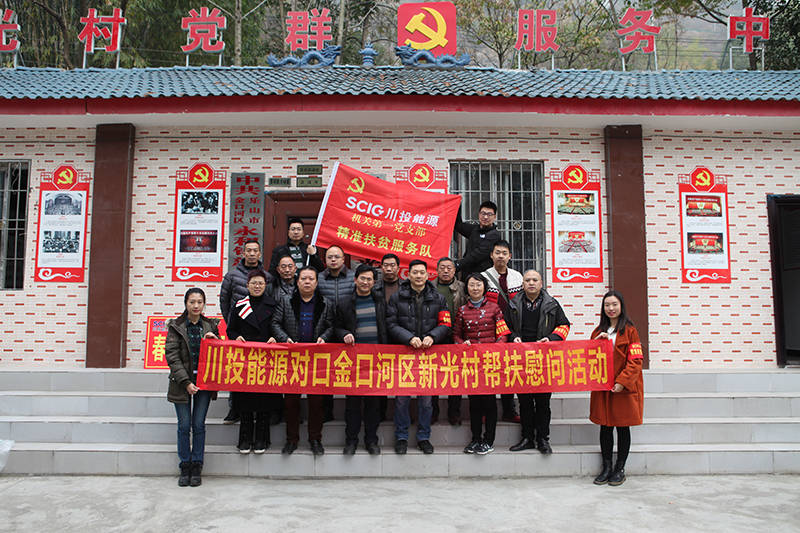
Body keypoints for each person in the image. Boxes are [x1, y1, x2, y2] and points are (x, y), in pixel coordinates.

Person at [386, 259, 452, 455]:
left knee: (426, 401)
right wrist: (409, 338)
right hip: (404, 355)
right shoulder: (397, 297)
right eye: (414, 272)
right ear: (408, 274)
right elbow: (390, 323)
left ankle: (424, 437)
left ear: (428, 275)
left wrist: (433, 336)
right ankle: (401, 437)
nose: (418, 276)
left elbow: (446, 324)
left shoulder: (438, 298)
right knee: (402, 399)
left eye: (422, 272)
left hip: (428, 356)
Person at [505, 270, 570, 455]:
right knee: (524, 402)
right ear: (523, 284)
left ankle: (543, 439)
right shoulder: (513, 303)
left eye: (535, 280)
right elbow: (503, 326)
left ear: (541, 283)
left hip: (544, 361)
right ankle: (527, 438)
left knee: (542, 402)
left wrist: (551, 338)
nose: (531, 283)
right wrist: (513, 337)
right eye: (528, 280)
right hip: (521, 360)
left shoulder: (552, 304)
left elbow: (564, 326)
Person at [271, 266, 335, 455]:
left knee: (316, 403)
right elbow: (275, 323)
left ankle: (315, 439)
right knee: (291, 403)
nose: (307, 282)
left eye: (311, 279)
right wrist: (284, 339)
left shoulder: (326, 303)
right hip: (292, 360)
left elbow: (331, 325)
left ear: (317, 282)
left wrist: (324, 337)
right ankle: (291, 440)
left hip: (316, 360)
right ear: (297, 282)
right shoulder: (285, 301)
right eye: (303, 279)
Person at [165, 288, 220, 487]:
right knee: (183, 426)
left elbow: (220, 354)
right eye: (192, 302)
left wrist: (217, 340)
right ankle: (184, 465)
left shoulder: (210, 325)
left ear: (204, 304)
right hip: (182, 384)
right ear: (185, 304)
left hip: (204, 383)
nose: (196, 306)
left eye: (199, 302)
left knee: (198, 425)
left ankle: (197, 464)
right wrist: (186, 382)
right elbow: (172, 357)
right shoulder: (176, 326)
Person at [590, 291, 643, 486]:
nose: (610, 308)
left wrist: (622, 382)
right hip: (603, 387)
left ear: (621, 307)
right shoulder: (597, 331)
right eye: (607, 305)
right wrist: (598, 343)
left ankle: (620, 468)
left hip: (622, 388)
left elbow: (635, 361)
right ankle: (606, 467)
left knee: (622, 427)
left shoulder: (630, 331)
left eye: (614, 304)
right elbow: (588, 357)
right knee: (605, 426)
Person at [453, 273, 510, 455]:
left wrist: (496, 348)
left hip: (490, 363)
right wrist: (462, 344)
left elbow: (503, 334)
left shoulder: (495, 308)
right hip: (471, 364)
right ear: (467, 288)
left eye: (478, 284)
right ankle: (475, 439)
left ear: (484, 287)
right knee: (474, 402)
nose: (475, 288)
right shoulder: (462, 310)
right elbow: (456, 335)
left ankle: (488, 441)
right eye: (471, 285)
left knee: (490, 402)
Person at [334, 264, 388, 455]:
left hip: (376, 362)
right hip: (353, 363)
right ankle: (351, 441)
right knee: (352, 405)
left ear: (374, 282)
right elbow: (336, 327)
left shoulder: (381, 302)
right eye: (362, 278)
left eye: (369, 279)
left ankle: (371, 440)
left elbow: (388, 327)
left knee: (374, 405)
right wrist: (344, 334)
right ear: (355, 279)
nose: (365, 282)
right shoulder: (344, 303)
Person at [225, 269, 280, 454]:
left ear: (266, 286)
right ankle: (245, 439)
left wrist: (275, 338)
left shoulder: (274, 305)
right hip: (245, 360)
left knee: (264, 400)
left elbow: (279, 326)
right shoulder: (239, 305)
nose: (257, 286)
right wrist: (236, 337)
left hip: (266, 359)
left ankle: (261, 439)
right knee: (245, 400)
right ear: (247, 285)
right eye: (254, 283)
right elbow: (230, 329)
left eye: (261, 283)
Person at [219, 239, 271, 424]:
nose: (252, 253)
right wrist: (232, 326)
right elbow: (224, 301)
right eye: (248, 250)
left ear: (260, 254)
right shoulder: (232, 275)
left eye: (255, 250)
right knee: (237, 370)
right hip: (240, 334)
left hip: (262, 335)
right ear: (242, 253)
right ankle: (235, 408)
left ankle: (263, 409)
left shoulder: (267, 276)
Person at [482, 240, 524, 423]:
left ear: (510, 256)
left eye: (504, 253)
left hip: (512, 331)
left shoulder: (518, 277)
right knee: (488, 371)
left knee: (510, 370)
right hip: (490, 331)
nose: (501, 256)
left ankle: (509, 409)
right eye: (497, 252)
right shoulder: (484, 276)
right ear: (491, 255)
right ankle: (486, 410)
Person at [316, 244, 354, 422]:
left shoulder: (354, 277)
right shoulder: (318, 278)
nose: (333, 260)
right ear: (325, 260)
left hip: (348, 331)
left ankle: (351, 411)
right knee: (325, 372)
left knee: (349, 370)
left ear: (343, 259)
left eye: (336, 257)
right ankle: (326, 409)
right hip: (325, 329)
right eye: (329, 257)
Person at [431, 257, 467, 426]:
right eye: (442, 268)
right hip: (434, 337)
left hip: (456, 337)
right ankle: (433, 412)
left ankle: (454, 412)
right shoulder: (430, 287)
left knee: (455, 376)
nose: (446, 271)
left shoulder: (462, 288)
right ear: (437, 270)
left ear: (454, 270)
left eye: (449, 268)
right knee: (432, 375)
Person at [374, 252, 401, 421]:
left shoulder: (406, 287)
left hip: (401, 337)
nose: (389, 268)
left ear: (398, 268)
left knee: (402, 376)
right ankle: (381, 412)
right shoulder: (374, 288)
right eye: (386, 265)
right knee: (381, 376)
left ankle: (402, 415)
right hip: (380, 336)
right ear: (381, 267)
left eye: (392, 265)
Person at [453, 200, 501, 278]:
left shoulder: (494, 235)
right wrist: (458, 204)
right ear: (479, 214)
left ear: (494, 217)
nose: (485, 217)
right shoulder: (474, 230)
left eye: (489, 214)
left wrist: (457, 265)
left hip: (483, 278)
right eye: (483, 214)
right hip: (467, 276)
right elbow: (458, 225)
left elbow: (477, 254)